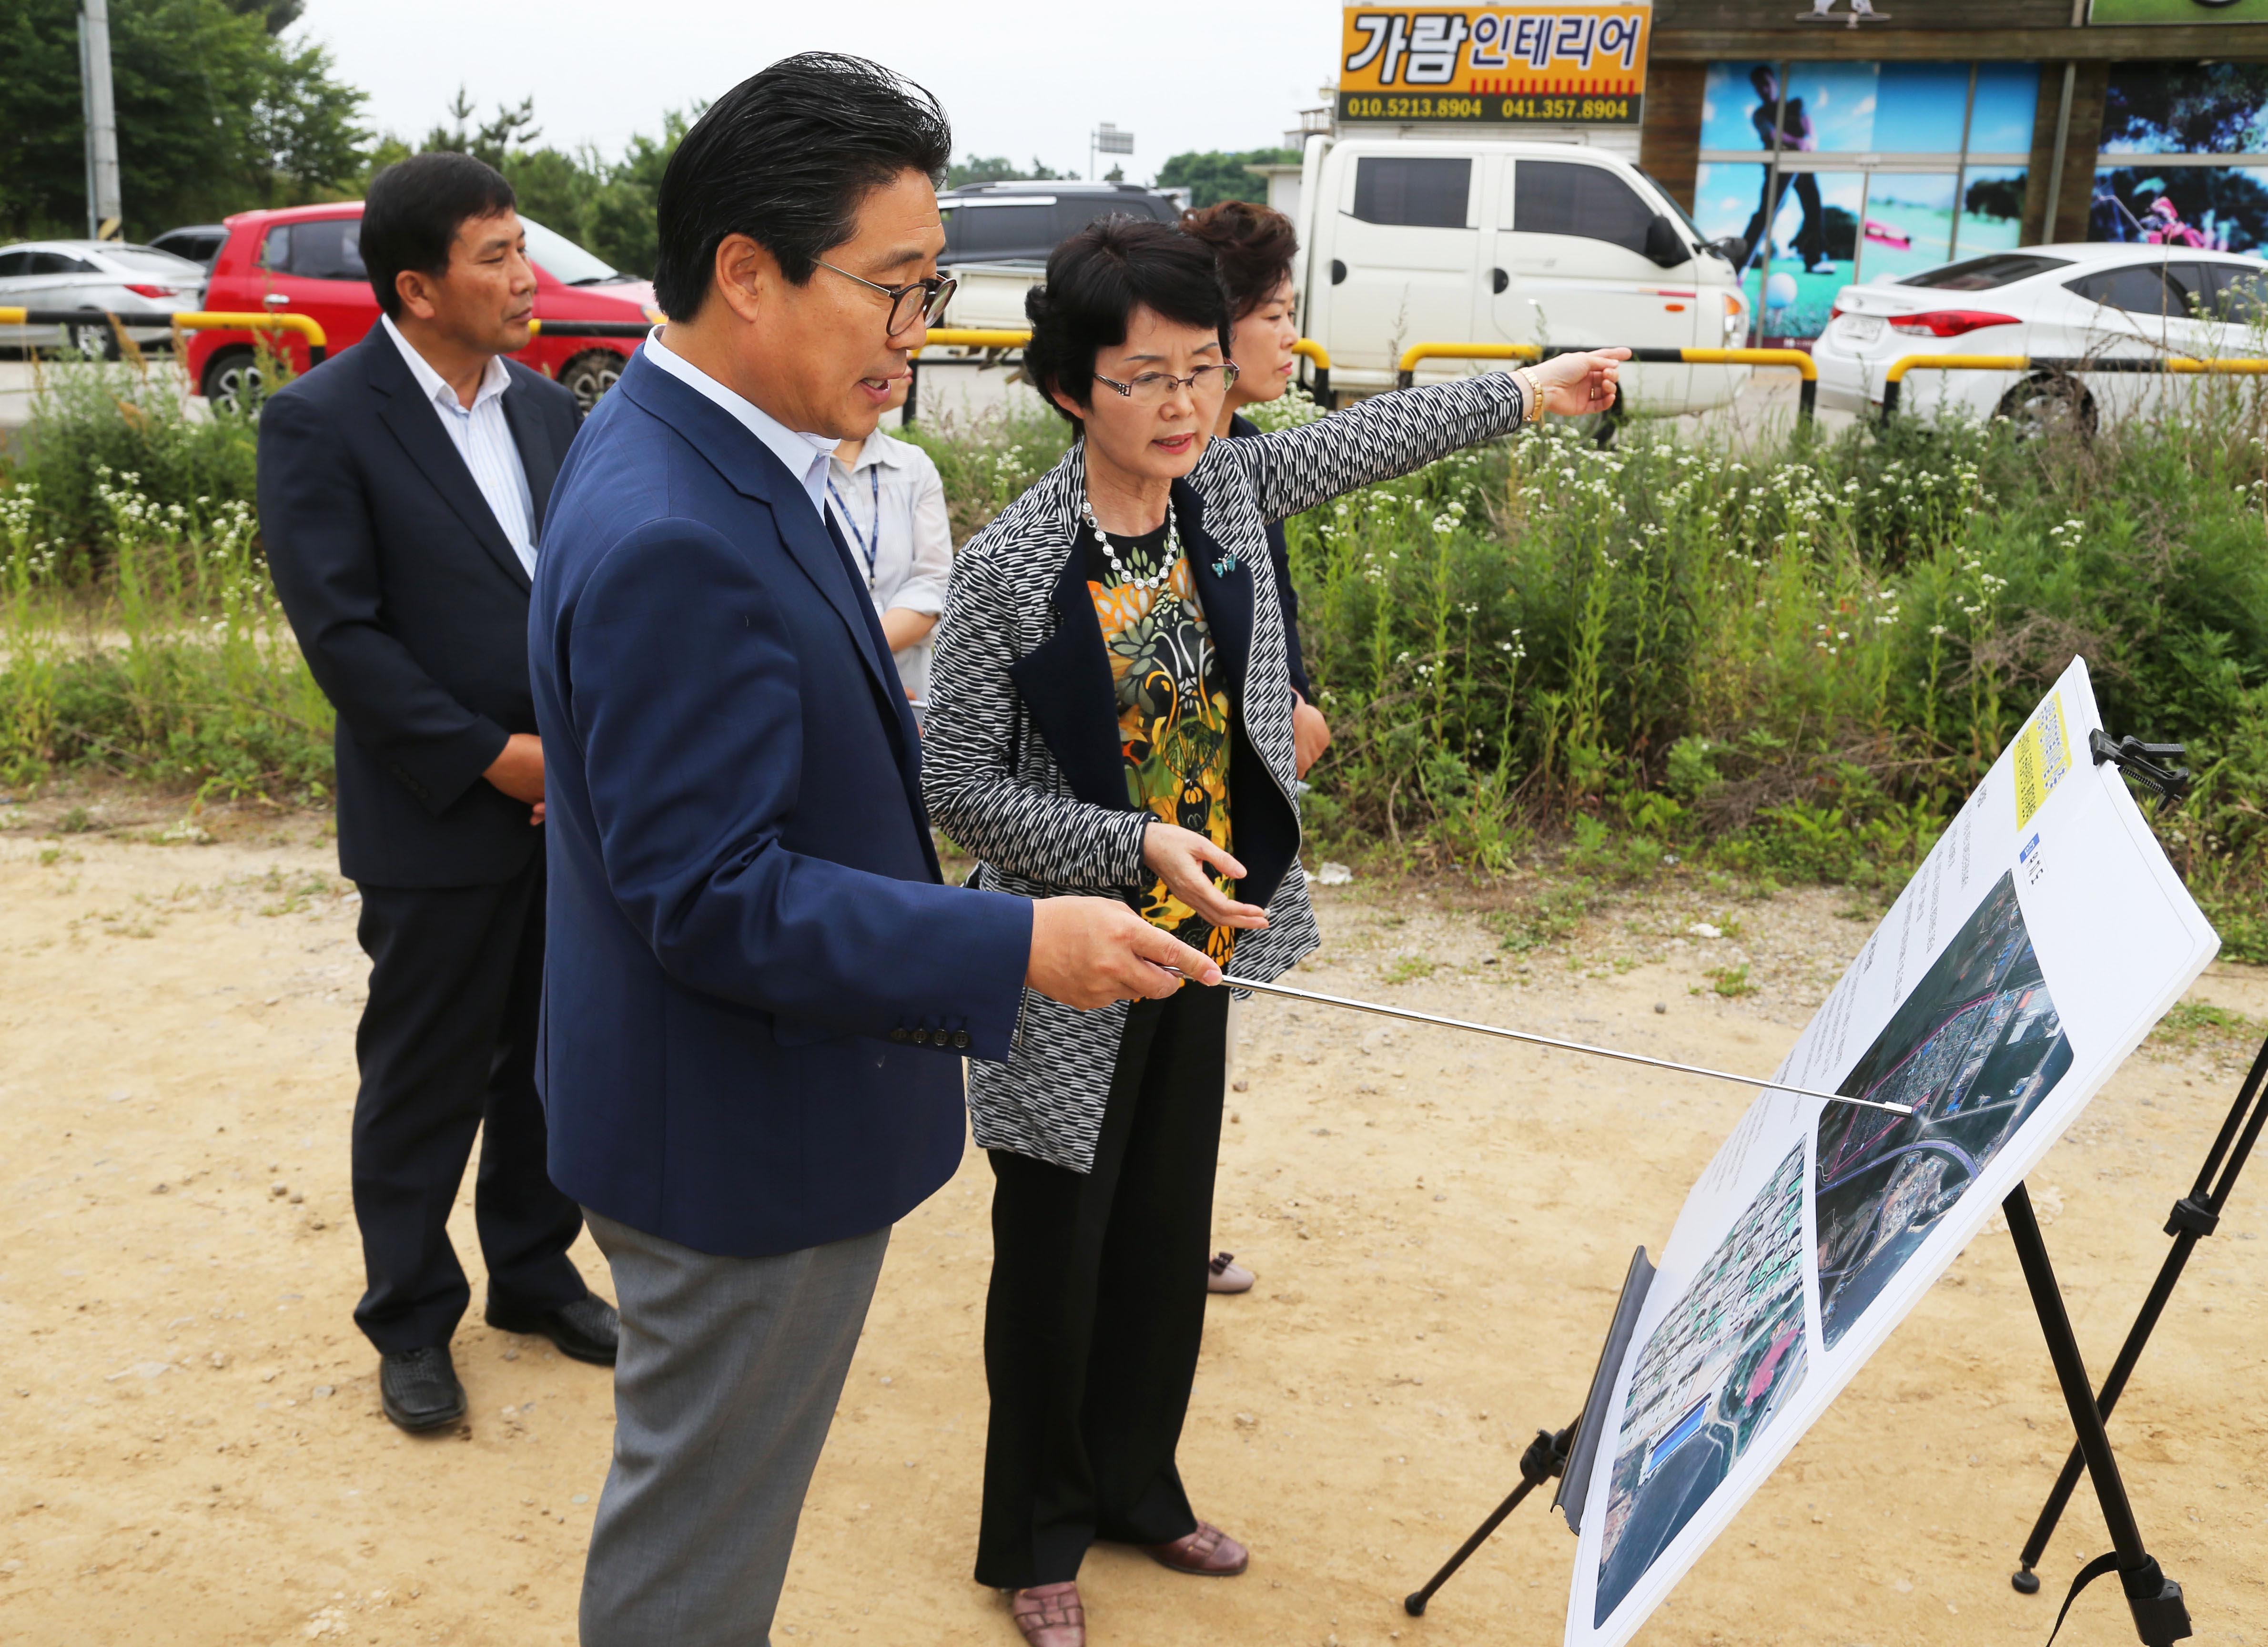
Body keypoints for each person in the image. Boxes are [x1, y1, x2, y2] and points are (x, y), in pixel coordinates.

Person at [525, 55, 1221, 1647]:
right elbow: (711, 895)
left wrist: (1087, 848)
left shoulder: (711, 451)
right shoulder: (676, 528)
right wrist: (1016, 944)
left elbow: (818, 768)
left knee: (717, 1515)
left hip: (733, 1096)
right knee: (696, 1550)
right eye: (894, 291)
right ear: (747, 274)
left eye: (935, 288)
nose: (922, 331)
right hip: (734, 1134)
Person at [921, 214, 1625, 1647]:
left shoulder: (1225, 490)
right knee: (1053, 1252)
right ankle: (1035, 1537)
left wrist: (1535, 390)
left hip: (1205, 935)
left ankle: (1134, 1486)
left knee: (1161, 1227)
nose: (1181, 406)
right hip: (1067, 958)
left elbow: (1381, 441)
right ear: (1071, 389)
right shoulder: (1007, 568)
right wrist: (1123, 844)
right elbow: (954, 786)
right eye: (1142, 378)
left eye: (1200, 372)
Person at [255, 152, 615, 1436]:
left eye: (525, 250)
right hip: (440, 815)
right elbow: (344, 639)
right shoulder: (322, 420)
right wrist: (491, 757)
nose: (528, 279)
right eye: (497, 257)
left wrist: (567, 753)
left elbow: (578, 601)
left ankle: (531, 1275)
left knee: (546, 1062)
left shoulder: (545, 412)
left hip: (561, 807)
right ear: (417, 287)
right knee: (424, 1074)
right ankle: (409, 1316)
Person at [1180, 197, 1328, 1297]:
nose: (1293, 334)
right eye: (1275, 312)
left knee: (1200, 1025)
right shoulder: (1164, 469)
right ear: (1216, 330)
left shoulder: (1255, 455)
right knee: (1161, 1022)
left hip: (1238, 805)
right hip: (1169, 809)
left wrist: (1300, 702)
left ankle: (1175, 1223)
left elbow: (1275, 617)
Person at [828, 375, 953, 704]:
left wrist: (858, 657)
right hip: (830, 695)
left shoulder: (914, 467)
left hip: (912, 695)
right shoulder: (796, 471)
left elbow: (935, 584)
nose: (905, 362)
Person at [1739, 65, 1832, 276]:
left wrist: (1809, 141)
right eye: (1759, 86)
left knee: (1814, 209)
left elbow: (1810, 130)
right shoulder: (1760, 115)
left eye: (1766, 83)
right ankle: (1741, 262)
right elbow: (1774, 135)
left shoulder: (1796, 104)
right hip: (1778, 167)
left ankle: (1814, 260)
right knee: (1767, 212)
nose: (1764, 89)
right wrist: (1798, 141)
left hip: (1802, 165)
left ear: (1775, 83)